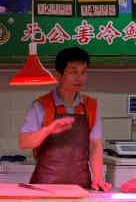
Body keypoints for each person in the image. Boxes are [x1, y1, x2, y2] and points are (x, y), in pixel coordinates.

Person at [18, 47, 111, 191]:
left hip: (80, 187)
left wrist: (98, 178)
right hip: (45, 188)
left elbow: (95, 145)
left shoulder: (91, 105)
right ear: (59, 75)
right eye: (73, 72)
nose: (79, 77)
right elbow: (24, 142)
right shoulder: (41, 105)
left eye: (83, 72)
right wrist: (48, 130)